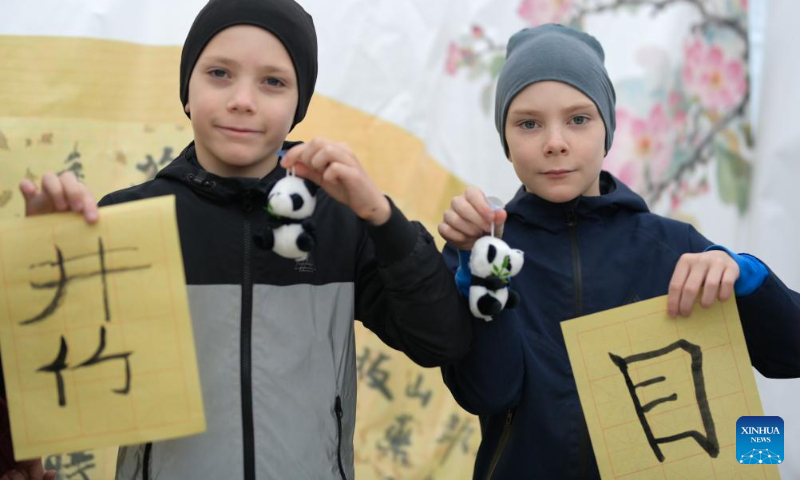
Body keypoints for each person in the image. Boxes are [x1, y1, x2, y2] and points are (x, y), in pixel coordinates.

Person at [3, 0, 472, 478]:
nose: (242, 99)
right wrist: (47, 259)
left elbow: (440, 341)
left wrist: (381, 218)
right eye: (220, 73)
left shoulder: (341, 220)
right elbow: (48, 388)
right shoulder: (128, 220)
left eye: (273, 81)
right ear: (187, 89)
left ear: (298, 105)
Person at [437, 23, 800, 479]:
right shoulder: (481, 251)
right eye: (528, 123)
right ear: (505, 140)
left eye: (579, 119)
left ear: (607, 129)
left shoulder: (675, 247)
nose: (555, 141)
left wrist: (747, 276)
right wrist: (481, 275)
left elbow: (791, 354)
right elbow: (488, 393)